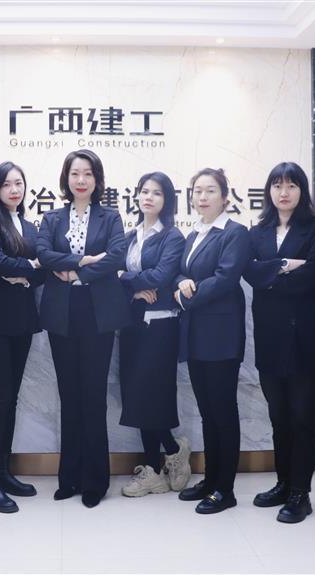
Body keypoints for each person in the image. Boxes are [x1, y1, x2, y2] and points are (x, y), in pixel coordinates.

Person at [36, 149, 130, 508]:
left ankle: (95, 480)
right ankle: (69, 477)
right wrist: (83, 260)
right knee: (69, 395)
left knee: (93, 396)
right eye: (75, 173)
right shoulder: (52, 217)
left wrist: (76, 273)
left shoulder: (111, 217)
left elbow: (117, 256)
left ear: (97, 179)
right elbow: (44, 254)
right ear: (66, 178)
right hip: (62, 314)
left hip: (97, 315)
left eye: (88, 173)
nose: (81, 180)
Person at [244, 162, 315, 523]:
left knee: (303, 418)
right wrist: (285, 264)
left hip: (305, 339)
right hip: (270, 338)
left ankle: (300, 493)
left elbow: (314, 274)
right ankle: (283, 483)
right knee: (279, 416)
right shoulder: (258, 230)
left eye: (292, 185)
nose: (284, 192)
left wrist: (271, 271)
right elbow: (250, 271)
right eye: (277, 185)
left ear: (302, 191)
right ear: (269, 190)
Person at [173, 168, 250, 515]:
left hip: (221, 336)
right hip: (196, 335)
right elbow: (181, 270)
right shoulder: (194, 234)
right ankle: (210, 480)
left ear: (225, 196)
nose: (202, 197)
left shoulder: (234, 232)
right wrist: (180, 282)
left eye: (210, 191)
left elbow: (226, 278)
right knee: (207, 412)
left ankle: (225, 488)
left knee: (223, 411)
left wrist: (188, 295)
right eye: (197, 191)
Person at [0, 161, 45, 513]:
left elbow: (44, 269)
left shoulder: (30, 227)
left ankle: (3, 472)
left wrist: (26, 273)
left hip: (23, 320)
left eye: (19, 183)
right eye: (6, 184)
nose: (14, 190)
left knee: (11, 398)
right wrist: (28, 268)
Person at [117, 172, 191, 498]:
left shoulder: (172, 237)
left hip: (161, 326)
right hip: (132, 325)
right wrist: (132, 287)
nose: (149, 197)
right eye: (144, 191)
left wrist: (125, 276)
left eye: (157, 193)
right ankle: (161, 462)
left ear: (167, 200)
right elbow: (112, 276)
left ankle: (166, 456)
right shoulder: (129, 236)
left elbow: (161, 276)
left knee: (153, 394)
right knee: (136, 396)